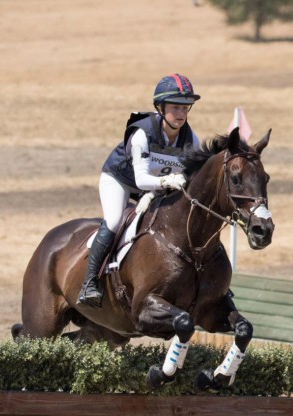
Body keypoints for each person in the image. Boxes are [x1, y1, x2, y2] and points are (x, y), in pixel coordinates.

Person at [77, 73, 201, 308]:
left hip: (155, 189)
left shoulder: (190, 139)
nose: (182, 114)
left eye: (186, 108)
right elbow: (142, 180)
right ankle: (90, 283)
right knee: (114, 221)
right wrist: (166, 183)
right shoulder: (142, 133)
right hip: (121, 181)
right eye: (176, 108)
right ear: (160, 107)